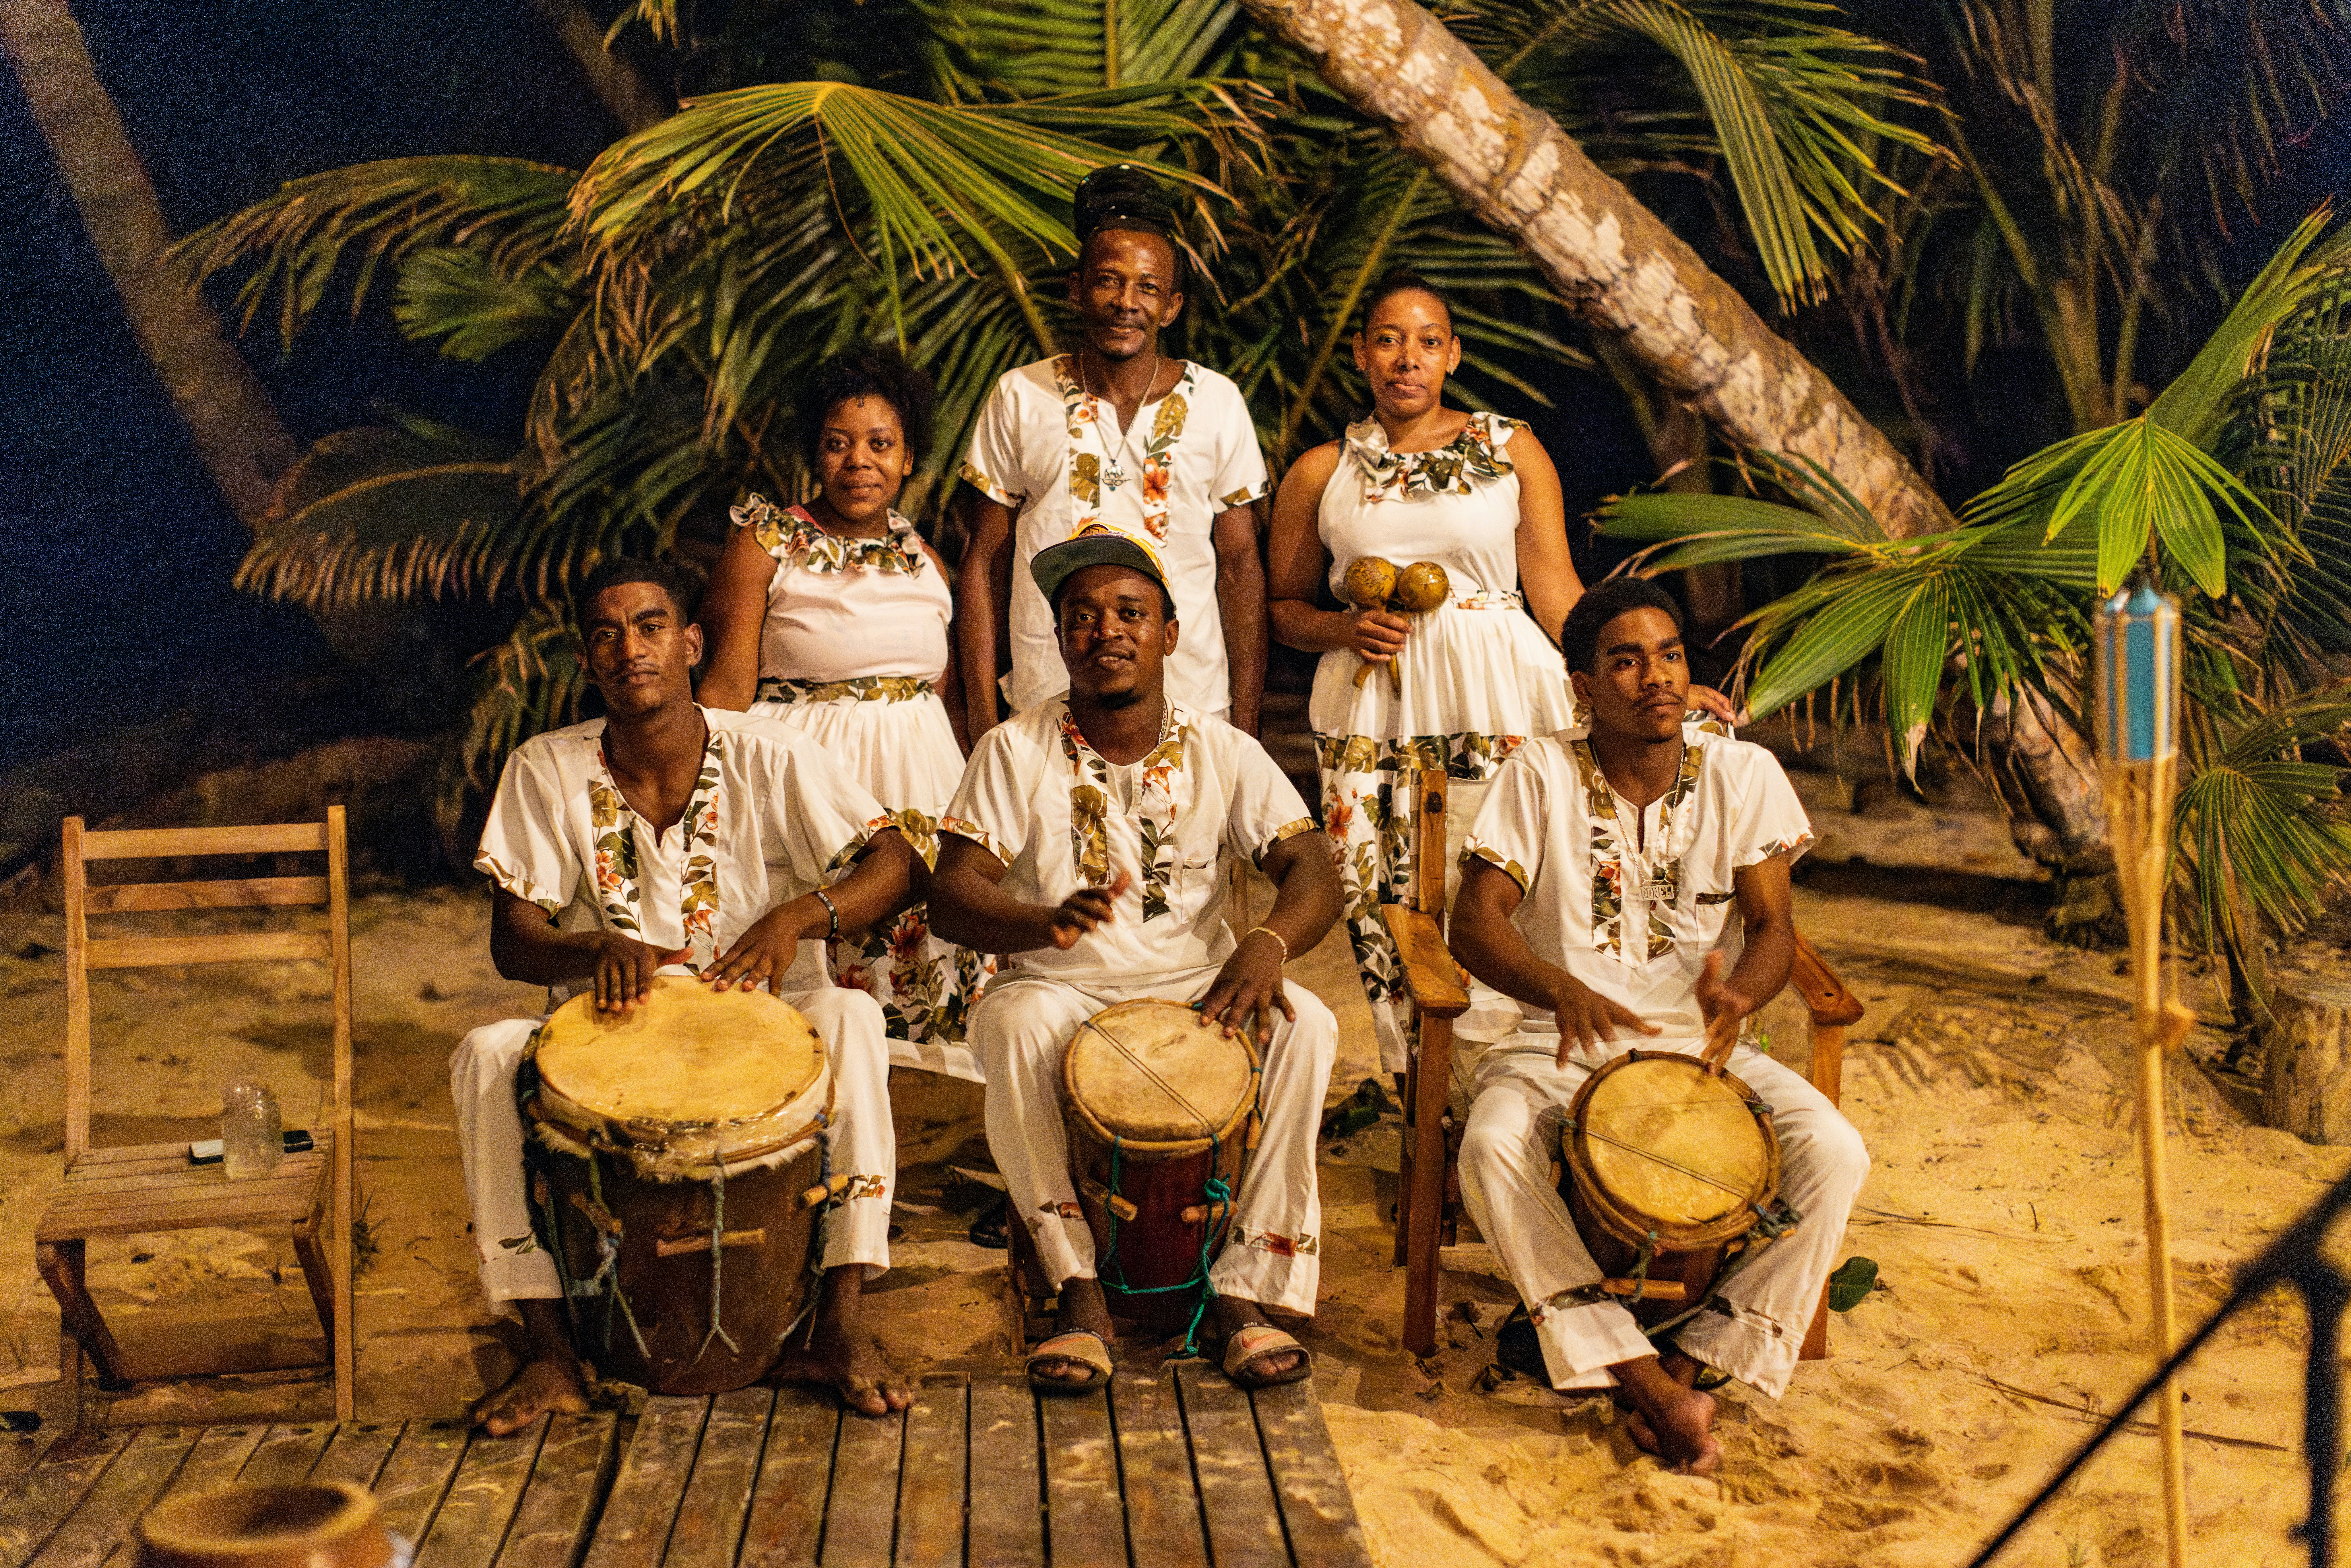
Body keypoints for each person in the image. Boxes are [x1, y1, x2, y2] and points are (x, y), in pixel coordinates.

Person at [451, 557, 921, 1432]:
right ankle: (549, 1353)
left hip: (773, 1026)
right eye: (606, 633)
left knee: (853, 1015)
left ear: (692, 643)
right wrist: (589, 944)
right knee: (485, 1055)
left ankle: (843, 1323)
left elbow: (895, 862)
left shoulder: (772, 755)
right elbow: (512, 940)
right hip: (613, 1040)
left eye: (651, 626)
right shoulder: (545, 769)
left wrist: (799, 917)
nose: (630, 648)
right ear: (589, 663)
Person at [1445, 576, 1869, 1476]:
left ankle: (1688, 1364)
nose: (1656, 678)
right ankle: (1645, 1375)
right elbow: (1474, 923)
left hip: (1702, 1051)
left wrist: (1740, 1000)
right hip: (1555, 1047)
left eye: (1670, 656)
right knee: (1489, 1149)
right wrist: (1558, 987)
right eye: (1626, 661)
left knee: (1835, 1151)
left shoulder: (1742, 773)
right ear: (1584, 688)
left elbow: (1774, 930)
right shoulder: (1541, 774)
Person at [1268, 269, 1732, 1078]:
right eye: (1387, 340)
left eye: (1426, 341)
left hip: (1501, 689)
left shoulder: (1506, 448)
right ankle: (1424, 1101)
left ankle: (1528, 1082)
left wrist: (1643, 677)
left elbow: (1556, 592)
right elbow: (1283, 607)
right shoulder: (1321, 472)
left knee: (1507, 877)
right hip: (1373, 708)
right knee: (1389, 897)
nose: (1406, 358)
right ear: (1361, 355)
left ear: (1452, 354)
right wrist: (1344, 625)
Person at [928, 527, 1344, 1394]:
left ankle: (1246, 1290)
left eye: (1129, 613)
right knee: (1010, 1023)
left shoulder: (1224, 750)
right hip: (1061, 989)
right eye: (1081, 616)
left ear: (1171, 634)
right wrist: (1043, 920)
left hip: (1195, 990)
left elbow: (1312, 871)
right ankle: (1076, 1286)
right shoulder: (1015, 748)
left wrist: (1267, 944)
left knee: (1311, 1026)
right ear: (1059, 638)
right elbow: (953, 895)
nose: (1105, 631)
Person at [698, 348, 991, 1078]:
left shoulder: (926, 558)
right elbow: (725, 690)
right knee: (817, 971)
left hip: (922, 779)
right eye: (839, 444)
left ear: (909, 457)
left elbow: (945, 696)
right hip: (812, 784)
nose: (859, 461)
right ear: (816, 455)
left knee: (926, 967)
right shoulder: (768, 544)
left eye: (879, 444)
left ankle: (914, 1139)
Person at [956, 163, 1272, 739]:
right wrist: (981, 719)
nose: (1127, 301)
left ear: (1171, 306)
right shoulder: (1021, 395)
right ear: (1077, 288)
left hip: (1192, 704)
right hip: (1046, 697)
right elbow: (983, 561)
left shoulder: (1217, 403)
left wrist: (1246, 721)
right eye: (1108, 280)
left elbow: (1241, 564)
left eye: (1148, 286)